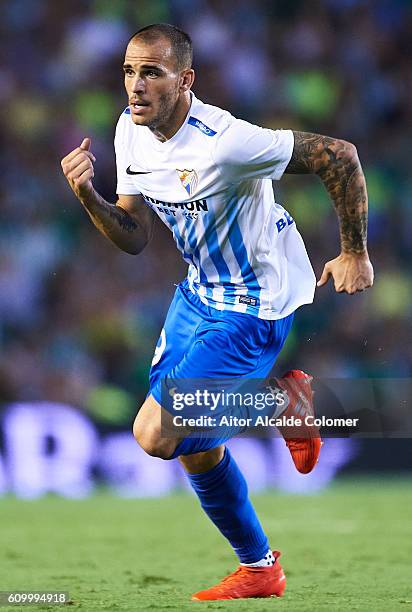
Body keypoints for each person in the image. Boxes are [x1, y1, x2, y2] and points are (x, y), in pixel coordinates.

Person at [61, 23, 374, 601]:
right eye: (129, 71)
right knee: (194, 444)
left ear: (186, 80)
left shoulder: (225, 141)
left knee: (154, 435)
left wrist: (353, 250)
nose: (135, 85)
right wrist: (89, 197)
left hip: (253, 304)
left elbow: (340, 156)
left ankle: (283, 399)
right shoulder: (130, 132)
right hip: (198, 293)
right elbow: (134, 236)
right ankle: (260, 568)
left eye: (152, 72)